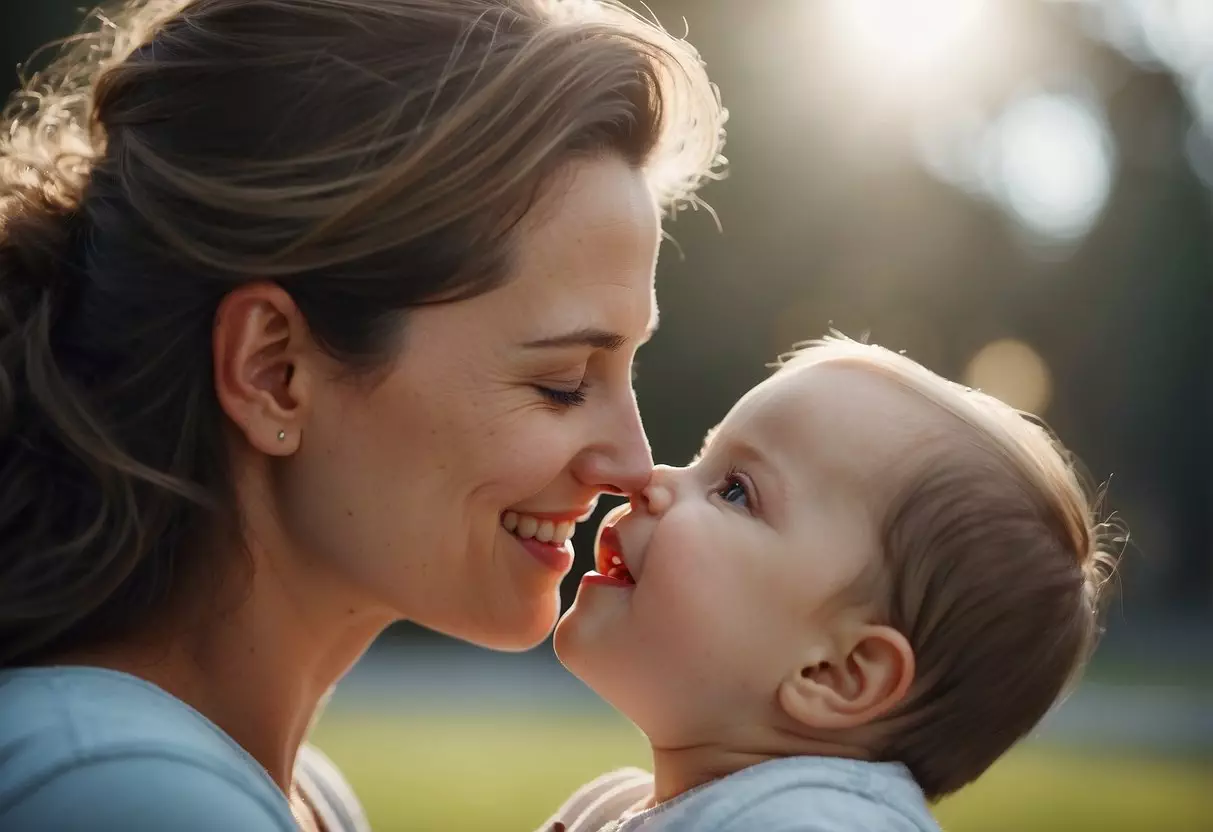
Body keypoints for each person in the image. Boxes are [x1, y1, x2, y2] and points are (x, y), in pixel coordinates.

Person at [0, 0, 725, 828]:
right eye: (561, 381)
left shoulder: (300, 796)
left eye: (626, 369)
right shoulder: (124, 793)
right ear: (273, 371)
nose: (634, 464)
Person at [546, 336, 1119, 832]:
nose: (654, 479)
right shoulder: (609, 806)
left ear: (835, 673)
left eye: (735, 490)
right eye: (701, 457)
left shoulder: (816, 821)